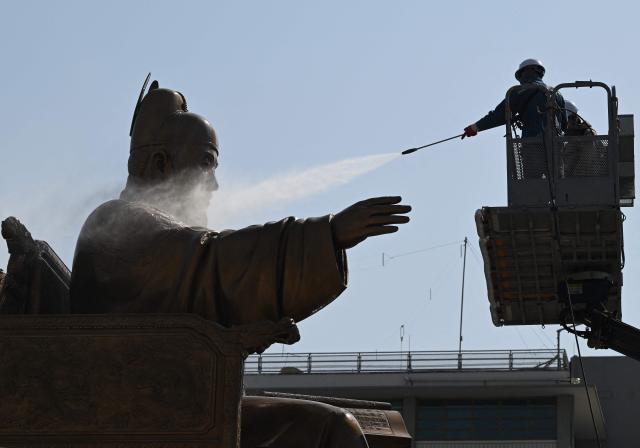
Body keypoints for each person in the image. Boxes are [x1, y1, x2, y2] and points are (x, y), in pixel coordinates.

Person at [70, 81, 411, 448]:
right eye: (206, 164)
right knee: (332, 430)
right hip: (147, 414)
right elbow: (213, 262)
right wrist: (326, 234)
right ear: (159, 163)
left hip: (182, 406)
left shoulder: (153, 227)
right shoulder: (119, 222)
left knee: (374, 429)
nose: (214, 185)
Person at [461, 59, 567, 139]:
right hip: (556, 147)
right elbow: (564, 125)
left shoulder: (519, 91)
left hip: (533, 145)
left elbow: (499, 115)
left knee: (535, 169)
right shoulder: (557, 93)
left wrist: (475, 127)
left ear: (522, 74)